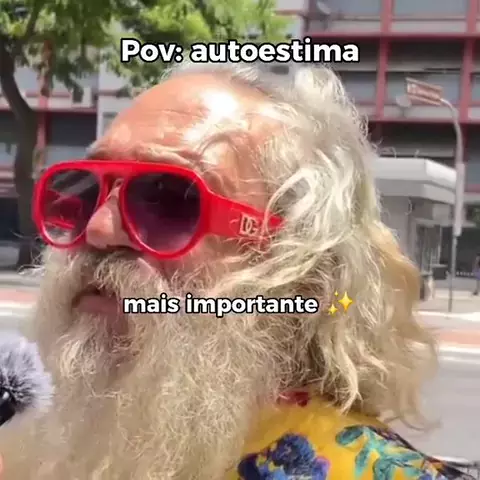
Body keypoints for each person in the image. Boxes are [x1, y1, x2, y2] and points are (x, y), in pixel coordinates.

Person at [0, 62, 470, 479]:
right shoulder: (34, 442)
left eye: (168, 200)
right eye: (85, 189)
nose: (99, 229)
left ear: (299, 272)